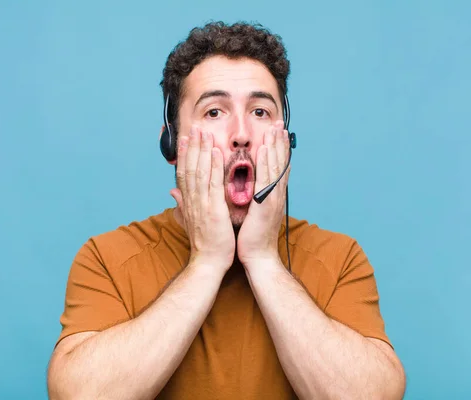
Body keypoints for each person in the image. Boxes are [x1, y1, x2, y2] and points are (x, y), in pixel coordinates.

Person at [47, 21, 406, 400]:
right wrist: (206, 262)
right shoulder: (106, 258)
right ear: (171, 144)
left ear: (287, 141)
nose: (241, 133)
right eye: (214, 112)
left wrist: (264, 259)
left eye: (260, 111)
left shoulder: (340, 258)